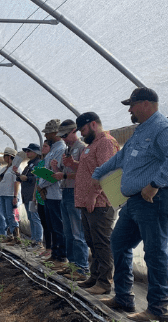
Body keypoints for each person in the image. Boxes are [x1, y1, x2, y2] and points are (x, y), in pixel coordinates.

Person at [92, 87, 168, 322]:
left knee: (154, 253)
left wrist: (155, 183)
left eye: (132, 105)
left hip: (155, 199)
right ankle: (123, 297)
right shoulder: (141, 131)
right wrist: (98, 174)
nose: (129, 110)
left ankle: (158, 308)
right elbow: (120, 158)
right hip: (135, 201)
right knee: (118, 242)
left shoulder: (163, 127)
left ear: (146, 104)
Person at [64, 112, 120, 295]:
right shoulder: (92, 145)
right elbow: (89, 169)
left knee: (102, 242)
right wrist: (74, 165)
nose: (81, 134)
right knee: (92, 241)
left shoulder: (105, 142)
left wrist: (94, 195)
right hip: (88, 202)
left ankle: (105, 282)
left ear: (94, 124)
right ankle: (95, 276)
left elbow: (106, 171)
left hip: (100, 202)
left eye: (83, 129)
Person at [51, 119, 90, 280]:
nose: (64, 138)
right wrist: (56, 168)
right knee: (67, 231)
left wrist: (67, 172)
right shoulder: (67, 149)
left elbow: (86, 172)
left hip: (76, 192)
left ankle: (82, 268)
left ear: (75, 131)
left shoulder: (83, 149)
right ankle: (72, 264)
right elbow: (63, 170)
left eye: (66, 135)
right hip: (65, 191)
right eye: (62, 136)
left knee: (77, 232)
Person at [37, 119, 68, 265]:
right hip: (49, 194)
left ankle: (61, 256)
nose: (46, 135)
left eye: (48, 132)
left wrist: (42, 184)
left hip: (56, 195)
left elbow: (54, 175)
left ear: (55, 133)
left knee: (58, 227)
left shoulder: (60, 149)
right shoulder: (53, 149)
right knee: (52, 226)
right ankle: (55, 254)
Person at [14, 143, 43, 249]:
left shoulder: (38, 163)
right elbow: (21, 178)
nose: (27, 153)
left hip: (33, 195)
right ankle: (34, 240)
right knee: (31, 218)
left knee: (35, 218)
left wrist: (27, 178)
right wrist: (17, 174)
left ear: (36, 152)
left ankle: (38, 241)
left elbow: (39, 179)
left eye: (29, 151)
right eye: (26, 151)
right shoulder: (28, 164)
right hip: (27, 195)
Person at [0, 147, 20, 242]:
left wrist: (15, 196)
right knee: (6, 215)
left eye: (4, 156)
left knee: (11, 215)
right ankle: (10, 236)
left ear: (9, 156)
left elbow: (17, 182)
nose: (3, 158)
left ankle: (16, 236)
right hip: (2, 195)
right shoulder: (5, 168)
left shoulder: (15, 168)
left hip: (10, 195)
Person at [35, 140, 53, 257]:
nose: (43, 148)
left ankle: (51, 249)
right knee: (44, 223)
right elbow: (37, 180)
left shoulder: (50, 161)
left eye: (45, 146)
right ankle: (48, 248)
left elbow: (50, 178)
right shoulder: (41, 162)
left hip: (47, 195)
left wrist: (42, 189)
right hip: (40, 196)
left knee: (50, 224)